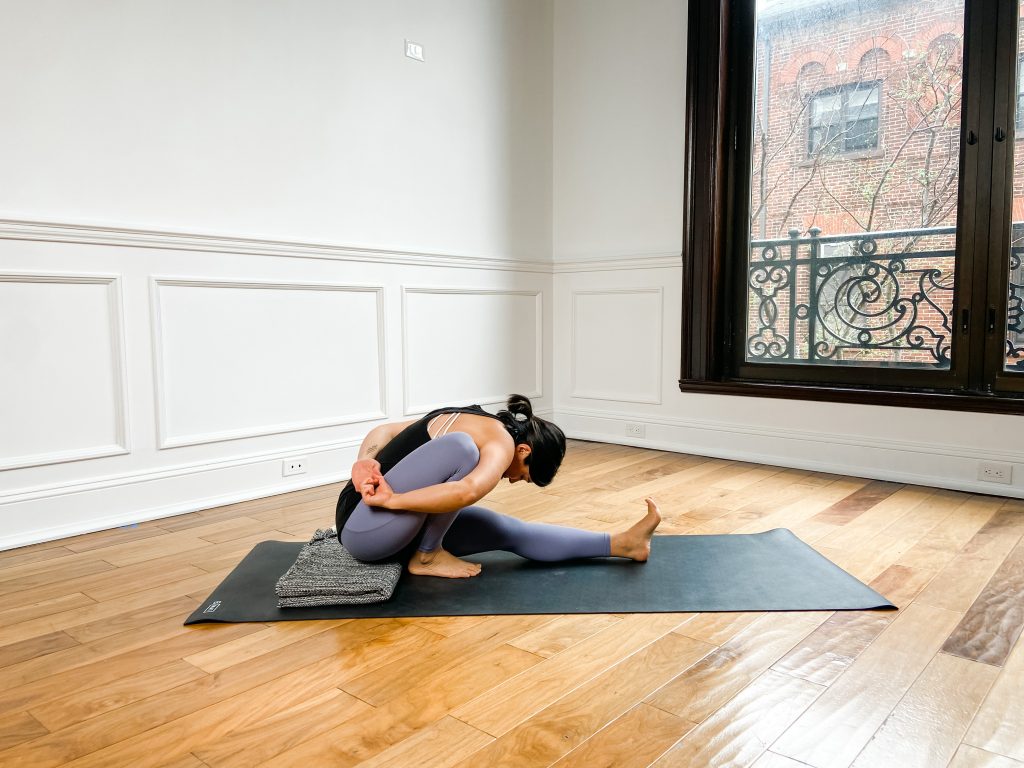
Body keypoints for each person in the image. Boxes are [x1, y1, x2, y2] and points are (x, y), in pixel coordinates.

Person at [335, 394, 662, 578]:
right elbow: (465, 492)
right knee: (461, 450)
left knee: (507, 530)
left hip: (383, 525)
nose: (514, 478)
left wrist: (365, 461)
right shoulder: (500, 442)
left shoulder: (468, 416)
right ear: (524, 451)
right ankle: (427, 557)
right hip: (364, 528)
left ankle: (623, 544)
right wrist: (386, 495)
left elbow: (385, 432)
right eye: (525, 474)